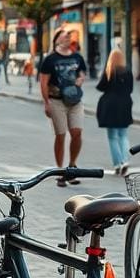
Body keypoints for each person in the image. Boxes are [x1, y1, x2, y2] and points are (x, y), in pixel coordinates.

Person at [39, 29, 87, 187]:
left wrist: (80, 79)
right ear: (57, 40)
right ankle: (60, 172)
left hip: (75, 100)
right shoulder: (50, 59)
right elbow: (44, 82)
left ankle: (72, 166)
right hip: (57, 101)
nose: (67, 37)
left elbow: (82, 73)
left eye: (69, 36)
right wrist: (46, 102)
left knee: (77, 132)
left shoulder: (77, 57)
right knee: (60, 135)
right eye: (64, 36)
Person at [96, 48, 133, 176]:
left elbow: (100, 87)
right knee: (123, 135)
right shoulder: (128, 71)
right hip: (125, 104)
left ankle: (118, 164)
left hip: (110, 105)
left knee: (112, 137)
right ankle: (125, 160)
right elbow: (131, 88)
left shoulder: (109, 71)